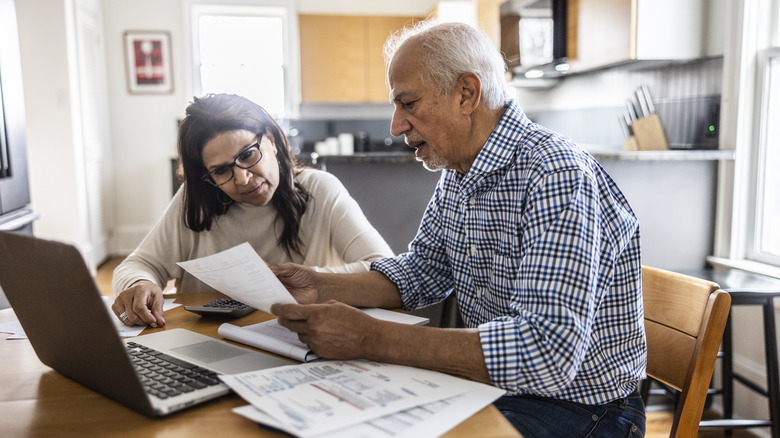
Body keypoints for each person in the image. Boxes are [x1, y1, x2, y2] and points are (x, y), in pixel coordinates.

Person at [269, 21, 646, 438]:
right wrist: (320, 287)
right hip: (496, 390)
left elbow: (548, 353)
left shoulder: (555, 173)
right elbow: (424, 271)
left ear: (467, 93)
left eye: (408, 103)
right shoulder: (460, 170)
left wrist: (371, 337)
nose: (396, 126)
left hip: (581, 410)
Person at [111, 93, 393, 329]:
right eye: (222, 170)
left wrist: (311, 279)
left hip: (297, 338)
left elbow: (386, 270)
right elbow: (138, 265)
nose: (243, 178)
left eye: (248, 155)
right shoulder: (194, 200)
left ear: (270, 139)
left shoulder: (320, 189)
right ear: (207, 178)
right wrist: (139, 283)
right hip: (208, 343)